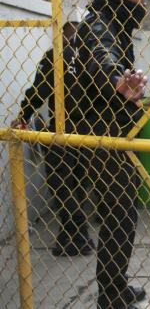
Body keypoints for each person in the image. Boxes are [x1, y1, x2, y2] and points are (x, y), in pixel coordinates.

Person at [74, 0, 150, 308]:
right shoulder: (100, 23)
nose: (143, 2)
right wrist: (118, 81)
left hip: (106, 126)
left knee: (117, 212)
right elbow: (100, 57)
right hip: (101, 130)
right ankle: (111, 293)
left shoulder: (111, 23)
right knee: (119, 212)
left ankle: (113, 286)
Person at [11, 21, 96, 257]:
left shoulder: (56, 56)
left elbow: (39, 90)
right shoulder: (93, 56)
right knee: (78, 184)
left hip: (62, 128)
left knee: (61, 184)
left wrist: (23, 115)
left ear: (62, 36)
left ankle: (78, 235)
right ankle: (69, 238)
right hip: (89, 130)